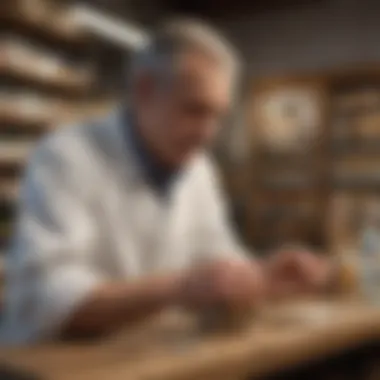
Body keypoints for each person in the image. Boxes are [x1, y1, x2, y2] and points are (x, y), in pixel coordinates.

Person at [1, 19, 333, 344]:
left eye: (218, 116)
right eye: (194, 110)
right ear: (144, 90)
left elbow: (217, 255)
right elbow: (47, 298)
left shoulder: (198, 168)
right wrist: (180, 288)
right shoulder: (66, 156)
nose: (208, 134)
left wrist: (263, 275)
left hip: (148, 358)